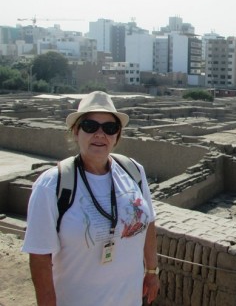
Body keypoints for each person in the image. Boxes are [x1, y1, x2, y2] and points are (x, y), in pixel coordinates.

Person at [22, 91, 160, 306]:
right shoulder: (52, 185)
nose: (100, 134)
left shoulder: (133, 171)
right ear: (76, 131)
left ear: (117, 136)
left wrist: (151, 270)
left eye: (109, 128)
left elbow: (148, 221)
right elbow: (40, 258)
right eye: (90, 126)